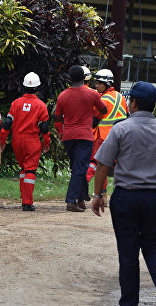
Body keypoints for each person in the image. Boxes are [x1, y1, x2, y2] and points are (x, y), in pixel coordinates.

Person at [91, 81, 156, 306]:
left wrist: (98, 194)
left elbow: (102, 164)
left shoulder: (120, 129)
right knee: (153, 244)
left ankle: (129, 302)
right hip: (155, 197)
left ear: (133, 103)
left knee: (128, 252)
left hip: (126, 198)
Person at [54, 65, 107, 212]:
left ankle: (81, 199)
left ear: (69, 78)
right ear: (84, 78)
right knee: (79, 168)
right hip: (85, 135)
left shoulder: (63, 95)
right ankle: (72, 201)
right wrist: (94, 119)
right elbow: (104, 110)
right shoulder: (92, 94)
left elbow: (57, 117)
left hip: (69, 136)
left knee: (77, 167)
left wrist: (60, 132)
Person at [0, 72, 50, 211]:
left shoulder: (16, 103)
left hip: (17, 141)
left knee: (23, 168)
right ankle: (27, 202)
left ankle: (24, 198)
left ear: (24, 87)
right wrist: (47, 143)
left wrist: (2, 140)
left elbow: (7, 123)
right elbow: (44, 127)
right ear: (37, 88)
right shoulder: (40, 105)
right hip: (32, 141)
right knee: (30, 170)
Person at [85, 69, 127, 206]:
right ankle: (108, 194)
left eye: (98, 83)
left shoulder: (103, 99)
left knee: (95, 163)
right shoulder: (121, 97)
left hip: (102, 137)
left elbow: (94, 120)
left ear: (106, 84)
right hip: (120, 138)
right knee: (116, 166)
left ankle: (82, 185)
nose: (96, 86)